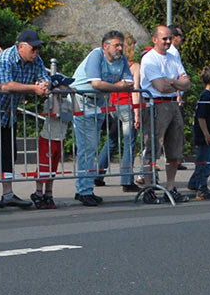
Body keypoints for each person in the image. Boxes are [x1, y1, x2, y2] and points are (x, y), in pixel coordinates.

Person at [0, 28, 50, 208]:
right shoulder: (5, 59)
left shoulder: (35, 60)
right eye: (33, 49)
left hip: (7, 114)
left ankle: (8, 193)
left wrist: (45, 84)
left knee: (7, 154)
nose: (36, 52)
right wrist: (33, 88)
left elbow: (44, 77)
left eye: (38, 49)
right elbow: (7, 85)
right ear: (21, 47)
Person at [69, 30, 136, 206]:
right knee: (88, 147)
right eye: (116, 45)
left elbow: (129, 82)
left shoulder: (121, 60)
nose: (120, 48)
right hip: (81, 101)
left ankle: (85, 188)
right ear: (105, 46)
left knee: (92, 145)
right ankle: (84, 190)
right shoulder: (96, 56)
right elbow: (96, 83)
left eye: (121, 45)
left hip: (99, 103)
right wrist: (117, 86)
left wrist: (118, 86)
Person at [139, 24, 192, 201]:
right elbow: (160, 87)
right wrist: (175, 82)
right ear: (155, 40)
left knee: (175, 150)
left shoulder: (173, 57)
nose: (168, 42)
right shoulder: (150, 59)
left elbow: (187, 83)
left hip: (173, 105)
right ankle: (148, 188)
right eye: (164, 38)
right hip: (156, 105)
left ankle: (171, 187)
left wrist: (171, 82)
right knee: (153, 148)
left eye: (170, 38)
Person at [33, 78, 71, 209]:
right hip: (48, 139)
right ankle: (38, 193)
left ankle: (48, 194)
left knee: (53, 170)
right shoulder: (50, 101)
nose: (68, 88)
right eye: (66, 86)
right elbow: (55, 113)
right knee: (44, 168)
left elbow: (76, 113)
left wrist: (73, 95)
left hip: (60, 139)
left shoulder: (67, 102)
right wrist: (54, 95)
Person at [187, 64, 210, 201]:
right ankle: (201, 188)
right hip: (205, 137)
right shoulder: (206, 96)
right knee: (205, 162)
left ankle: (194, 183)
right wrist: (206, 134)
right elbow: (201, 117)